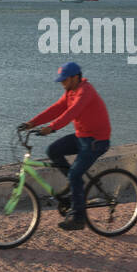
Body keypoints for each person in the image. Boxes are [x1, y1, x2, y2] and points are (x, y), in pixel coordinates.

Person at [19, 62, 111, 230]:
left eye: (65, 80)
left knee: (75, 174)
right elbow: (56, 109)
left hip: (97, 141)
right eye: (61, 80)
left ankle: (78, 218)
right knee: (53, 150)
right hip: (82, 137)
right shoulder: (70, 92)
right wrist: (31, 123)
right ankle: (74, 187)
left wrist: (51, 128)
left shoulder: (85, 91)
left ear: (75, 77)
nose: (62, 83)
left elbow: (71, 113)